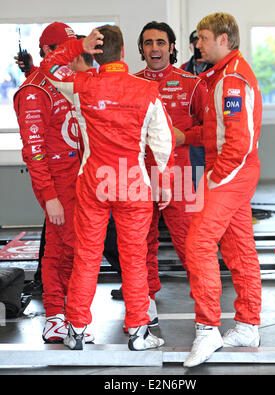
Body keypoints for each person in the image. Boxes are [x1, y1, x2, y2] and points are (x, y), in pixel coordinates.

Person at [39, 25, 175, 351]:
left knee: (86, 256)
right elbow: (163, 142)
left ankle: (75, 328)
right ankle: (139, 331)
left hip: (94, 184)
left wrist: (74, 47)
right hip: (133, 184)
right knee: (134, 258)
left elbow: (48, 68)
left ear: (95, 52)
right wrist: (166, 184)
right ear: (125, 51)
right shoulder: (146, 90)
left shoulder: (82, 85)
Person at [180, 12, 262, 367]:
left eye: (202, 37)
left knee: (197, 243)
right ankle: (247, 323)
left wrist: (216, 179)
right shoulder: (221, 77)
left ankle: (207, 329)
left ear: (223, 40)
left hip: (230, 173)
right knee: (238, 247)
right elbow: (217, 133)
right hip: (231, 172)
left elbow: (239, 142)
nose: (197, 44)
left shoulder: (231, 80)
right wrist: (186, 137)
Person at [13, 22, 93, 344]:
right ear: (47, 51)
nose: (71, 54)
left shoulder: (70, 81)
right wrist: (50, 197)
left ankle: (56, 317)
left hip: (82, 182)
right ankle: (68, 317)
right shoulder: (35, 91)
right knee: (74, 252)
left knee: (58, 252)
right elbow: (34, 152)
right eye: (64, 48)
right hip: (59, 187)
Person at [132, 21, 207, 327]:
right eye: (148, 43)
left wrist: (183, 137)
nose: (154, 49)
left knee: (192, 244)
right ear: (141, 49)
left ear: (172, 47)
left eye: (161, 43)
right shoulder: (130, 84)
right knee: (139, 243)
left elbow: (212, 131)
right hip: (139, 177)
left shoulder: (193, 84)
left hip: (182, 179)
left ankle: (206, 309)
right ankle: (145, 299)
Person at [180, 30, 214, 190]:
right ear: (191, 47)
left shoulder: (217, 68)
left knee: (213, 175)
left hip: (213, 128)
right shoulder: (183, 69)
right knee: (195, 175)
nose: (198, 47)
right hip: (193, 130)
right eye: (195, 44)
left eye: (201, 42)